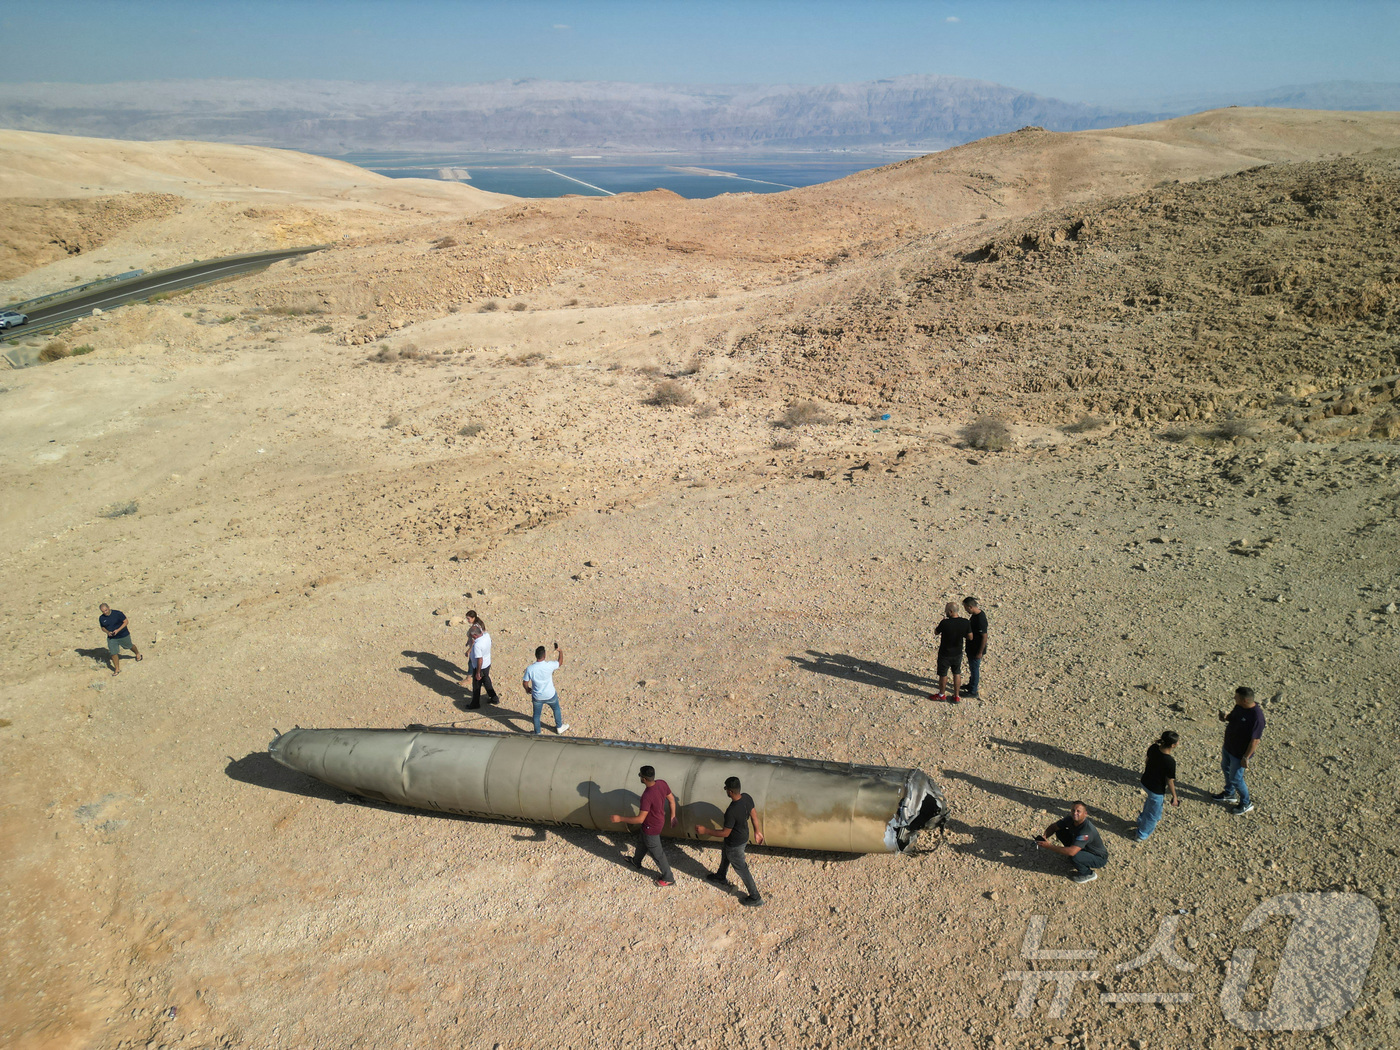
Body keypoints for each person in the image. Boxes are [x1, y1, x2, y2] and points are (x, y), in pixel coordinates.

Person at [696, 776, 765, 906]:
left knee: (741, 868)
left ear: (730, 792)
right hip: (743, 836)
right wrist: (757, 831)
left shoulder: (731, 811)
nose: (725, 790)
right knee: (725, 854)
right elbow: (754, 816)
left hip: (735, 842)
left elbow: (725, 832)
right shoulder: (747, 797)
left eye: (725, 788)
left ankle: (755, 897)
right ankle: (721, 876)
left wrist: (705, 830)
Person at [609, 765, 677, 887]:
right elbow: (671, 800)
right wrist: (673, 816)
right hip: (658, 821)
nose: (640, 777)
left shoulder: (647, 796)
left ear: (644, 779)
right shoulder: (662, 783)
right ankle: (636, 861)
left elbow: (640, 819)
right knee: (642, 841)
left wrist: (620, 818)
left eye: (640, 775)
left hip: (651, 827)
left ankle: (668, 877)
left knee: (657, 853)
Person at [1215, 686, 1265, 816]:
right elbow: (1233, 718)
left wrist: (1246, 757)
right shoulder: (1239, 707)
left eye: (1236, 697)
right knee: (1225, 768)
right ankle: (1229, 793)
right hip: (1229, 747)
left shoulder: (1257, 717)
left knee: (1236, 778)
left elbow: (1255, 741)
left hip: (1239, 754)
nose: (1234, 698)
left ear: (1244, 700)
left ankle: (1246, 803)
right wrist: (1225, 717)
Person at [1036, 801, 1109, 883]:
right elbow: (1053, 827)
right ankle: (1079, 856)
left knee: (1075, 856)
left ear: (1085, 814)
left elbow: (1072, 852)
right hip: (1083, 847)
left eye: (1078, 811)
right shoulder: (1070, 819)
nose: (1075, 813)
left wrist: (1049, 846)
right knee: (1060, 831)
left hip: (1098, 857)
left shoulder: (1086, 831)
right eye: (1073, 810)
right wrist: (1044, 837)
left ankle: (1088, 874)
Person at [1133, 731, 1180, 841]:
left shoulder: (1153, 747)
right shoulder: (1170, 761)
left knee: (1150, 804)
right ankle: (1141, 834)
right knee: (1153, 815)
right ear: (1173, 745)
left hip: (1145, 782)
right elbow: (1169, 781)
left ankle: (1141, 820)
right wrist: (1175, 796)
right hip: (1156, 790)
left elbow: (1147, 761)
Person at [522, 642, 570, 735]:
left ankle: (538, 732)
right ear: (544, 655)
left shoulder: (530, 669)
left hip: (537, 696)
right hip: (550, 694)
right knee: (556, 709)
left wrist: (527, 689)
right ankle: (559, 727)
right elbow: (560, 662)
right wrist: (560, 651)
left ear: (536, 655)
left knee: (536, 715)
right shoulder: (549, 665)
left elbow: (525, 682)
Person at [928, 602, 971, 702]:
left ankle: (941, 694)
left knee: (943, 674)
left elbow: (936, 632)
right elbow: (970, 636)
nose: (945, 612)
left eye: (946, 610)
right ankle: (956, 696)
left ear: (951, 611)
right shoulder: (965, 622)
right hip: (958, 653)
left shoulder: (945, 623)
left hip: (945, 653)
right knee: (957, 673)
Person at [98, 602, 141, 675]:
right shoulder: (101, 618)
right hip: (112, 638)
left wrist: (118, 630)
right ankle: (117, 669)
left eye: (106, 610)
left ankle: (137, 653)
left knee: (129, 646)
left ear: (109, 608)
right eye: (103, 611)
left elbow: (126, 622)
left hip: (123, 635)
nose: (105, 612)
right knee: (113, 652)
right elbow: (102, 627)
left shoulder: (117, 613)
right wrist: (108, 632)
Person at [466, 623, 498, 709]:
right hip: (487, 663)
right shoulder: (486, 636)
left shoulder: (477, 645)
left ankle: (475, 704)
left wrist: (478, 672)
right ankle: (494, 697)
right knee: (486, 680)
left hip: (480, 667)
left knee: (476, 685)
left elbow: (479, 659)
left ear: (475, 635)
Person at [963, 597, 989, 699]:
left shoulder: (980, 619)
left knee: (974, 669)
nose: (965, 610)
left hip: (976, 649)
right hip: (972, 648)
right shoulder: (975, 615)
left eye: (966, 608)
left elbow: (984, 636)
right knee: (972, 668)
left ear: (970, 607)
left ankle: (973, 691)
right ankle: (971, 684)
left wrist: (980, 652)